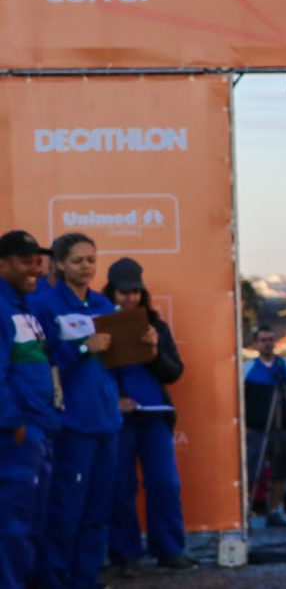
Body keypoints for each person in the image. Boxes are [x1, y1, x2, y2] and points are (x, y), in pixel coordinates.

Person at [34, 233, 127, 589]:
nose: (87, 267)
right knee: (66, 510)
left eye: (91, 259)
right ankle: (55, 579)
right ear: (58, 264)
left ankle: (85, 578)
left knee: (99, 511)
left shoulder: (104, 305)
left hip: (106, 421)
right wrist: (83, 348)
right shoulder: (45, 305)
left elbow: (119, 362)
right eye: (78, 261)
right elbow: (44, 363)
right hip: (72, 423)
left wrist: (143, 346)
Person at [102, 257, 197, 573]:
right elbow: (93, 373)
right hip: (119, 419)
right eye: (123, 293)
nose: (130, 299)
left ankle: (169, 549)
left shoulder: (156, 326)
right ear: (111, 292)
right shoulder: (100, 323)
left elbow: (174, 372)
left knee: (164, 482)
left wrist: (155, 352)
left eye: (135, 293)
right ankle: (124, 553)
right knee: (120, 485)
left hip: (155, 415)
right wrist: (115, 398)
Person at [0, 230, 58, 588]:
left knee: (33, 525)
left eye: (38, 261)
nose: (34, 269)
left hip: (39, 432)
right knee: (12, 527)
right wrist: (14, 423)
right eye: (25, 261)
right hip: (14, 438)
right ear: (2, 264)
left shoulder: (26, 309)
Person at [243, 325, 286, 527]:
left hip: (282, 427)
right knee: (252, 472)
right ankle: (246, 510)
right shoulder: (248, 369)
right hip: (256, 428)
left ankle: (275, 511)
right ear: (256, 343)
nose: (268, 344)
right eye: (263, 340)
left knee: (280, 472)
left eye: (271, 339)